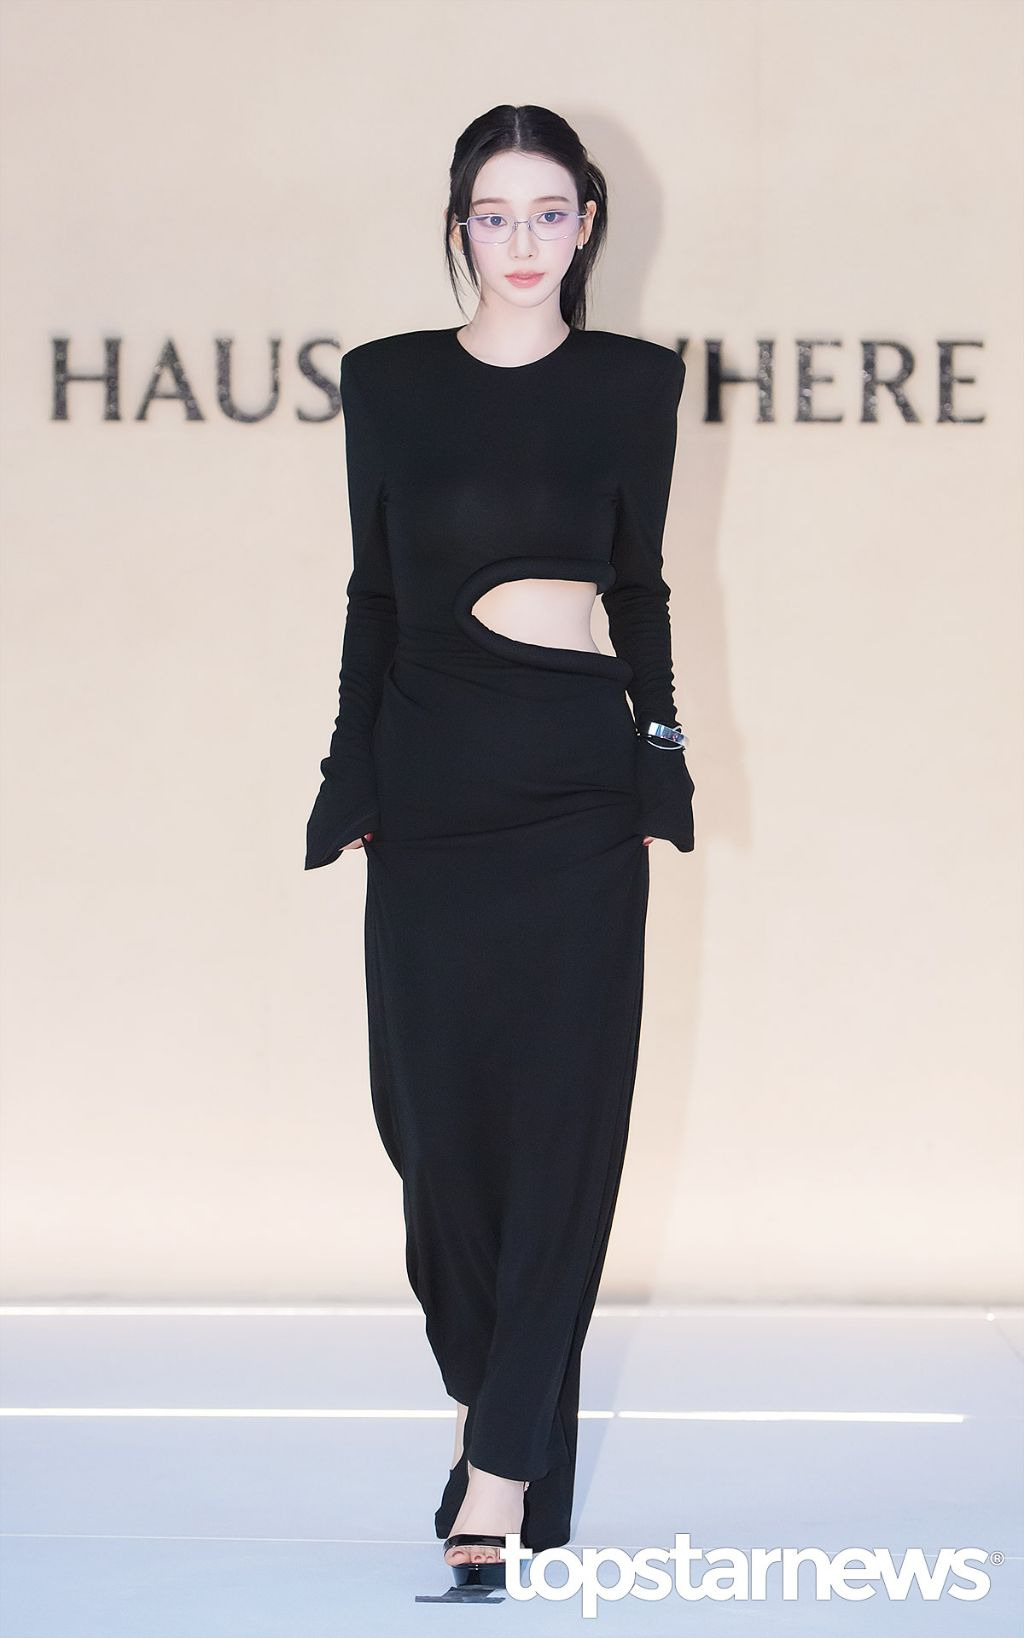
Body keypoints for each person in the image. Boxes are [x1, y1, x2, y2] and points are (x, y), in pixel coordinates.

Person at [304, 104, 694, 1588]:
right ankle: (506, 1410)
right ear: (458, 222)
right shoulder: (389, 382)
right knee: (435, 1141)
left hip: (576, 795)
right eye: (493, 212)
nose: (521, 241)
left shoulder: (634, 383)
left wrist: (659, 749)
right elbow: (373, 593)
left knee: (564, 1135)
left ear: (586, 223)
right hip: (431, 788)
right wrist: (350, 773)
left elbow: (640, 584)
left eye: (548, 212)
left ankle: (503, 1466)